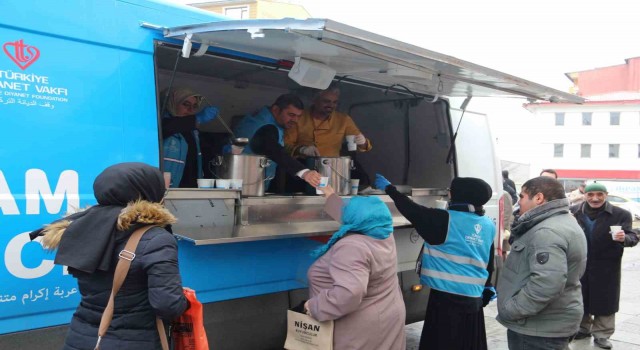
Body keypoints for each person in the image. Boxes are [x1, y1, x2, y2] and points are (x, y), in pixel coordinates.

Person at [29, 162, 188, 349]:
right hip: (135, 341)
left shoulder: (81, 227)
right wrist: (185, 302)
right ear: (149, 191)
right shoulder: (156, 238)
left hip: (81, 338)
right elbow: (167, 305)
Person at [375, 174, 496, 350]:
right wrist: (487, 286)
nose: (448, 193)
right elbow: (488, 259)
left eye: (451, 190)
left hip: (447, 302)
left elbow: (412, 210)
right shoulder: (487, 224)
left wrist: (389, 189)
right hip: (473, 301)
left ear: (459, 195)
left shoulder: (445, 219)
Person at [303, 185, 406, 350]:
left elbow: (349, 294)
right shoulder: (382, 232)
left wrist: (315, 306)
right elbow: (360, 217)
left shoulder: (352, 247)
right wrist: (330, 196)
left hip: (358, 327)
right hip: (387, 313)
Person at [496, 176, 587, 350]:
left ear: (538, 198)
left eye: (522, 196)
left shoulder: (546, 231)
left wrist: (512, 310)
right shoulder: (561, 221)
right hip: (547, 324)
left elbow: (546, 284)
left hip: (537, 328)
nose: (518, 202)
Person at [570, 182, 638, 349]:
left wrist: (625, 238)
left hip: (607, 264)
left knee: (605, 300)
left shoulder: (620, 214)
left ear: (606, 195)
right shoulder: (574, 212)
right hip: (580, 263)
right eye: (591, 195)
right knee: (580, 297)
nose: (595, 198)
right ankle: (582, 328)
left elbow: (633, 236)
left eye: (600, 194)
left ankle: (602, 334)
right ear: (584, 195)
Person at [232, 94, 321, 190]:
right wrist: (304, 172)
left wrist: (301, 150)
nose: (295, 120)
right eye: (291, 115)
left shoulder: (261, 117)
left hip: (245, 184)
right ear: (276, 110)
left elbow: (275, 145)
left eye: (298, 116)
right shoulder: (265, 127)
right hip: (246, 186)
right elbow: (274, 150)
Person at [284, 84, 372, 158]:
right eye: (326, 101)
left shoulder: (343, 119)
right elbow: (285, 145)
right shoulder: (299, 117)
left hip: (331, 169)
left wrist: (363, 142)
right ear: (314, 100)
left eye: (335, 102)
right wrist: (301, 150)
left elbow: (362, 145)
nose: (331, 105)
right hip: (302, 167)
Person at [161, 87, 219, 188]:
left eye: (195, 106)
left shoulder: (194, 132)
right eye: (186, 104)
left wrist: (225, 149)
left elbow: (208, 152)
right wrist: (197, 118)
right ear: (173, 104)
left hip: (189, 191)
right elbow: (169, 127)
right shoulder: (161, 125)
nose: (191, 110)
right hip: (165, 191)